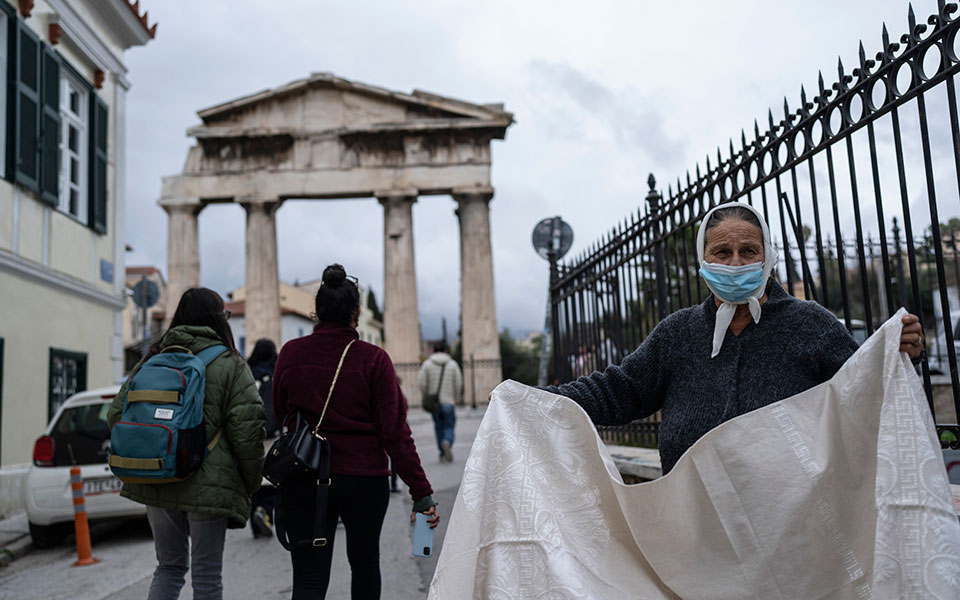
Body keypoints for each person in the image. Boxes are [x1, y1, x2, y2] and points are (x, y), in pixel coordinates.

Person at [544, 201, 925, 475]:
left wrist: (900, 355)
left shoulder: (810, 324)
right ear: (703, 260)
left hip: (796, 534)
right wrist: (535, 399)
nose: (736, 263)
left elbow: (863, 390)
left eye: (749, 251)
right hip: (695, 529)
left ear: (768, 256)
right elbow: (618, 390)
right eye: (722, 252)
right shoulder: (679, 332)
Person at [273, 264, 439, 600]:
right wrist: (420, 492)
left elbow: (280, 412)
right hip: (363, 479)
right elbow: (394, 432)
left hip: (304, 475)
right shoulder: (374, 359)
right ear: (357, 313)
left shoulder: (291, 353)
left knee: (308, 578)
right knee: (364, 565)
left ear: (316, 311)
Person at [107, 287, 265, 600]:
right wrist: (251, 483)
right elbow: (248, 433)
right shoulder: (231, 364)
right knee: (206, 576)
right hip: (208, 483)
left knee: (168, 567)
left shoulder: (153, 358)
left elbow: (115, 415)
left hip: (158, 477)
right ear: (220, 320)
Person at [247, 338, 279, 539]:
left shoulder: (247, 374)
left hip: (250, 436)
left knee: (254, 482)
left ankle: (256, 523)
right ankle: (266, 514)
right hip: (272, 435)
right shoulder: (276, 374)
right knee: (270, 480)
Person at [418, 341, 463, 463]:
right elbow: (458, 383)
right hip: (448, 402)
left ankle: (442, 453)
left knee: (438, 427)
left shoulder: (427, 364)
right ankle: (447, 441)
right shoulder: (453, 365)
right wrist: (456, 397)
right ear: (446, 351)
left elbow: (422, 383)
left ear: (433, 351)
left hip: (435, 403)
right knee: (449, 426)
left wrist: (426, 395)